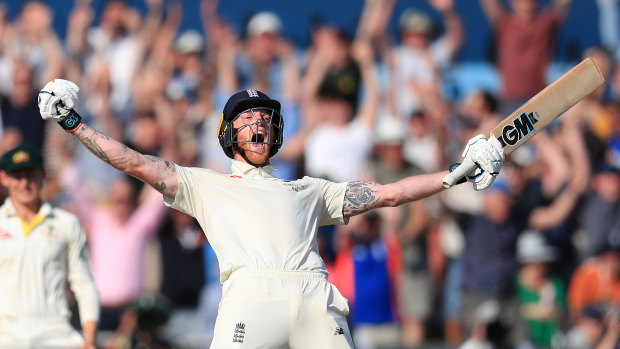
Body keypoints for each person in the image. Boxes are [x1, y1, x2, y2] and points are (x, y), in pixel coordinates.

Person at [37, 78, 505, 348]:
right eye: (246, 117)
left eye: (264, 117)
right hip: (250, 297)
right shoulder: (205, 185)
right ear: (227, 134)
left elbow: (389, 194)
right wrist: (72, 122)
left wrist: (454, 173)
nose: (258, 122)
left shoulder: (308, 189)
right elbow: (134, 161)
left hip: (314, 296)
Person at [0, 143, 99, 348]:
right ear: (4, 178)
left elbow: (83, 283)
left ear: (43, 174)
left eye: (31, 175)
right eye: (17, 176)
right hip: (7, 336)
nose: (25, 183)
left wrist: (89, 339)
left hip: (56, 335)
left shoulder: (66, 222)